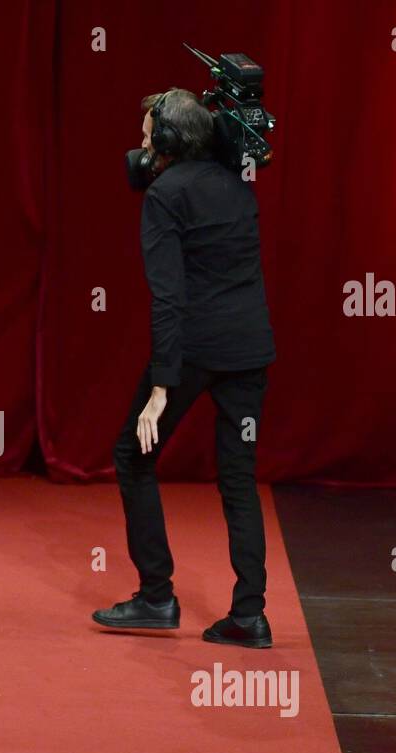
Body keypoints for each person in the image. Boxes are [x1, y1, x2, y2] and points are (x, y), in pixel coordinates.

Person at [93, 88, 277, 649]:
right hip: (250, 349)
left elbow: (168, 298)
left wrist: (160, 388)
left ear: (170, 142)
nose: (141, 144)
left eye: (149, 135)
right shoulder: (234, 179)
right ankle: (249, 616)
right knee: (239, 480)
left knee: (133, 456)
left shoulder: (165, 195)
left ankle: (156, 597)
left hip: (195, 350)